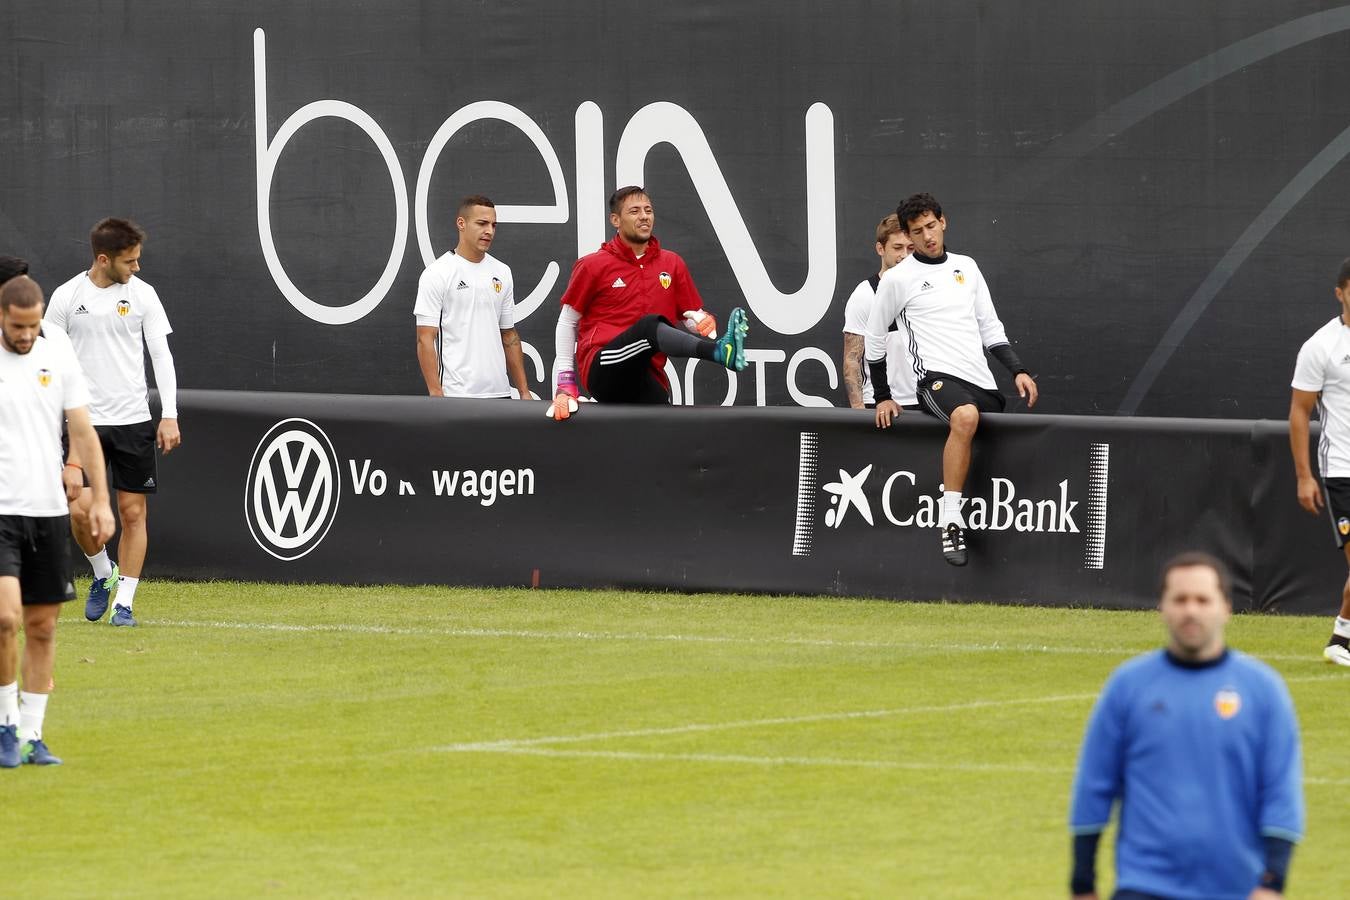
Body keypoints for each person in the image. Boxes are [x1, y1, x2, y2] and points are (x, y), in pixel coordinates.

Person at [1068, 552, 1304, 899]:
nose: (1190, 610)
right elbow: (1095, 784)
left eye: (1202, 600)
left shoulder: (1263, 690)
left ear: (1225, 607)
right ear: (1162, 607)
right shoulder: (1128, 686)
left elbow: (1280, 790)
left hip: (1235, 889)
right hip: (1144, 886)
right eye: (1179, 599)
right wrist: (1082, 881)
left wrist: (1273, 881)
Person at [865, 192, 1038, 566]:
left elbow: (990, 327)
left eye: (931, 226)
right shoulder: (898, 279)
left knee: (977, 415)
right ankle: (949, 522)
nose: (927, 236)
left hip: (981, 384)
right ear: (908, 238)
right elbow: (875, 339)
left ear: (943, 223)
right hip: (934, 381)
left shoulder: (967, 267)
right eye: (917, 231)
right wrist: (882, 395)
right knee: (965, 416)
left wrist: (1018, 370)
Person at [1, 275, 116, 767]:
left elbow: (84, 432)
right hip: (2, 511)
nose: (26, 335)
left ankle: (31, 735)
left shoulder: (57, 351)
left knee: (43, 628)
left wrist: (102, 501)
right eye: (17, 326)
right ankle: (5, 726)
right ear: (3, 316)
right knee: (5, 620)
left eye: (32, 326)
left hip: (47, 511)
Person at [44, 218, 182, 628]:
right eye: (129, 261)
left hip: (134, 421)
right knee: (81, 512)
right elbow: (48, 362)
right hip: (83, 423)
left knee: (133, 513)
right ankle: (103, 573)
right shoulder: (67, 297)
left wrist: (169, 413)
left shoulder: (145, 296)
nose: (136, 267)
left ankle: (124, 603)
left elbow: (161, 355)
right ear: (103, 259)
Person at [548, 186, 749, 419]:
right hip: (603, 368)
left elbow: (691, 316)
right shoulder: (593, 265)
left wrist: (703, 322)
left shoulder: (672, 263)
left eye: (648, 210)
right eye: (634, 211)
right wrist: (565, 383)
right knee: (649, 327)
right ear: (616, 219)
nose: (644, 216)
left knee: (662, 427)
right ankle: (717, 352)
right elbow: (567, 322)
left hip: (647, 375)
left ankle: (719, 350)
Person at [1289, 256, 1350, 667]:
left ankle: (1341, 639)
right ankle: (1340, 640)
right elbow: (1299, 411)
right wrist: (1304, 477)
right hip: (1343, 470)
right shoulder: (1321, 346)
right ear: (1340, 293)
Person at [414, 195, 533, 401]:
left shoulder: (502, 271)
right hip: (457, 395)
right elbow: (425, 338)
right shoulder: (437, 273)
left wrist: (523, 391)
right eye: (482, 223)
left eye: (494, 225)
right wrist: (436, 393)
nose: (489, 231)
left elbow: (509, 335)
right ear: (461, 223)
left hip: (500, 393)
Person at [841, 214, 918, 410]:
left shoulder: (925, 292)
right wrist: (859, 412)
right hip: (879, 405)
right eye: (897, 248)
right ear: (880, 249)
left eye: (910, 248)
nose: (905, 255)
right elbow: (852, 360)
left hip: (926, 401)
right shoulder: (864, 294)